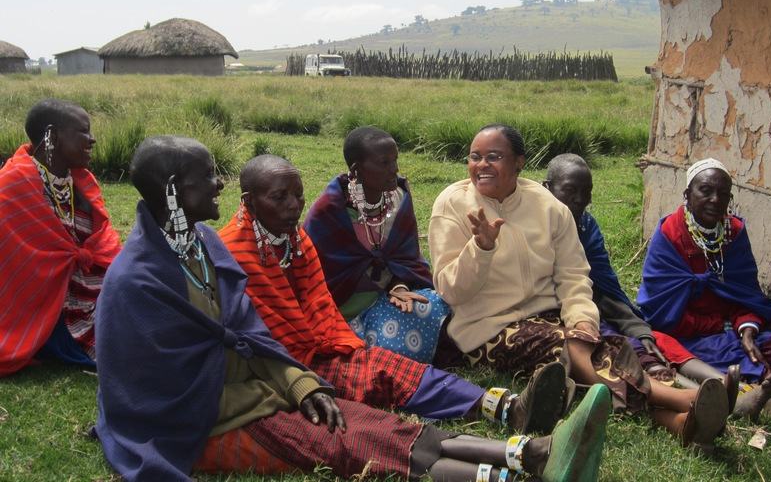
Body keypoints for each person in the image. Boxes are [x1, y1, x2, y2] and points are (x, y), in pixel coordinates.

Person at [94, 135, 611, 482]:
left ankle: (525, 448)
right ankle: (509, 467)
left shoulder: (201, 246)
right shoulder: (139, 280)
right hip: (202, 418)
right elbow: (162, 386)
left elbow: (266, 325)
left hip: (282, 372)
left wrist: (300, 383)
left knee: (368, 408)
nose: (219, 185)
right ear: (172, 190)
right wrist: (289, 387)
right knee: (347, 438)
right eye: (208, 176)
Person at [429, 124, 731, 448]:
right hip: (486, 328)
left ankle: (678, 423)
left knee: (606, 349)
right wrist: (481, 249)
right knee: (569, 348)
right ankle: (683, 398)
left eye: (493, 156)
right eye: (475, 157)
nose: (482, 165)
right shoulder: (452, 205)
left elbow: (573, 275)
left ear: (519, 162)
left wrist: (583, 318)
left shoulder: (547, 206)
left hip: (548, 315)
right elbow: (450, 290)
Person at [220, 153, 571, 434]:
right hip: (281, 366)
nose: (294, 206)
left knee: (393, 360)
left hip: (325, 341)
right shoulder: (232, 252)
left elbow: (318, 300)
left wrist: (394, 289)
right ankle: (505, 409)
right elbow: (262, 330)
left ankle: (505, 405)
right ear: (250, 202)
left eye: (298, 195)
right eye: (279, 197)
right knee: (383, 376)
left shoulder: (295, 238)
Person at [638, 157, 771, 416]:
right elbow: (660, 311)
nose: (715, 199)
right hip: (686, 331)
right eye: (705, 190)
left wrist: (747, 328)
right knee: (660, 343)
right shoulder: (670, 234)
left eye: (723, 194)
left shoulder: (733, 231)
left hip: (731, 326)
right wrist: (719, 327)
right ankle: (746, 391)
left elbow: (745, 292)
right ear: (687, 194)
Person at [305, 125, 448, 363]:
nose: (394, 169)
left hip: (385, 304)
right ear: (357, 170)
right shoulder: (330, 211)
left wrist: (400, 287)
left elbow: (406, 259)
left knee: (437, 302)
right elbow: (318, 281)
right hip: (340, 316)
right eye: (384, 163)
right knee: (393, 353)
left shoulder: (399, 200)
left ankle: (380, 353)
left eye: (395, 160)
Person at [0, 99, 121, 376]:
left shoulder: (82, 181)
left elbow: (101, 242)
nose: (92, 140)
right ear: (52, 136)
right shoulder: (13, 184)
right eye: (83, 132)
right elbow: (14, 263)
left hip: (88, 285)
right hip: (41, 302)